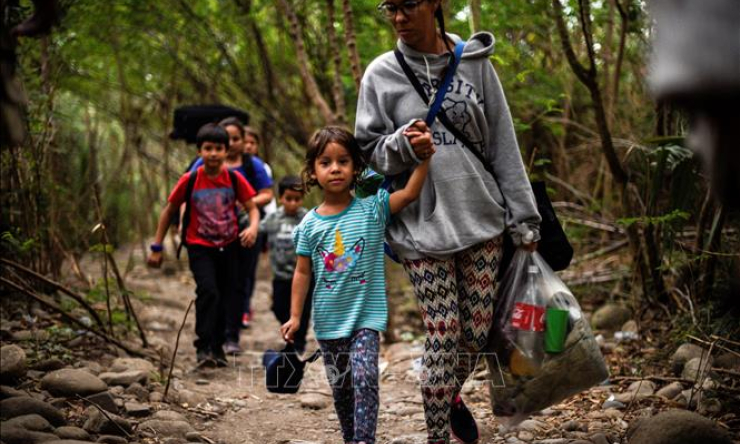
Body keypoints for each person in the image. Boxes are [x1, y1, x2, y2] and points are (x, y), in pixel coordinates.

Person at [355, 2, 541, 443]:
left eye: (407, 5)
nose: (398, 17)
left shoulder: (475, 64)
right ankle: (437, 435)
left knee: (474, 336)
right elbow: (368, 150)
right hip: (421, 225)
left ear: (434, 3)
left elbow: (503, 145)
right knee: (443, 331)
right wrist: (402, 143)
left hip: (482, 218)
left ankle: (448, 394)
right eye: (389, 7)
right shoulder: (380, 73)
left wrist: (525, 218)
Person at [281, 126, 432, 444]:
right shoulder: (308, 224)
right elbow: (302, 273)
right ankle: (351, 437)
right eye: (325, 162)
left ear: (355, 168)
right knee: (342, 390)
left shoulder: (372, 208)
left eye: (343, 161)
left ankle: (364, 440)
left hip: (366, 317)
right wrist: (295, 317)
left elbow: (409, 195)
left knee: (365, 378)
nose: (335, 168)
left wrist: (424, 159)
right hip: (327, 321)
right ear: (312, 171)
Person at [147, 123, 259, 367]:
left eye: (218, 148)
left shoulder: (233, 178)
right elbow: (169, 211)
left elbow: (252, 208)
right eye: (208, 148)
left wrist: (252, 228)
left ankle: (217, 347)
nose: (213, 153)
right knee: (208, 291)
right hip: (199, 245)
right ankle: (203, 346)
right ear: (199, 151)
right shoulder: (190, 179)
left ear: (226, 151)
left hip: (229, 245)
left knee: (225, 295)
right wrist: (156, 247)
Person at [188, 118, 273, 353]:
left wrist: (243, 203)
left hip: (245, 232)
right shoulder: (200, 165)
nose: (234, 143)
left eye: (237, 138)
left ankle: (231, 336)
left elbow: (267, 194)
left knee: (238, 285)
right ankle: (213, 338)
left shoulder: (251, 165)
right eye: (229, 137)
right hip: (211, 236)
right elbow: (187, 193)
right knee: (213, 287)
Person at [260, 175, 312, 354]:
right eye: (288, 199)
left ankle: (299, 342)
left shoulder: (308, 218)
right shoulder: (273, 219)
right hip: (281, 276)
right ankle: (289, 330)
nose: (292, 203)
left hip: (304, 276)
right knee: (279, 307)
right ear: (280, 198)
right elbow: (258, 229)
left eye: (297, 199)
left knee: (303, 311)